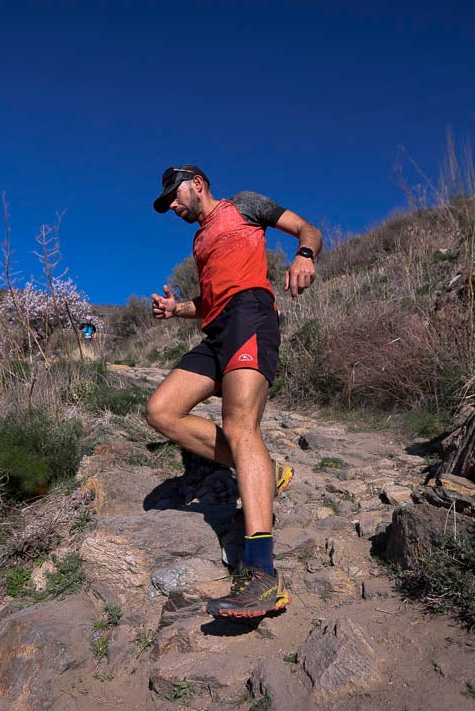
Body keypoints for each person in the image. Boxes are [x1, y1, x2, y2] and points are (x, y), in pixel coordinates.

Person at [145, 164, 321, 619]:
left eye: (175, 197)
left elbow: (308, 228)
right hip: (217, 330)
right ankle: (267, 470)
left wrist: (304, 254)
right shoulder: (200, 240)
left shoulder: (243, 205)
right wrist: (176, 308)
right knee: (162, 411)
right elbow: (208, 300)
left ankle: (263, 575)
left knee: (240, 426)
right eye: (167, 204)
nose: (173, 207)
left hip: (251, 315)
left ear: (196, 183)